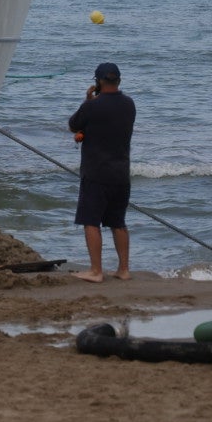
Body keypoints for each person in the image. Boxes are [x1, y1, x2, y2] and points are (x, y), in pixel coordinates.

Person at [67, 61, 135, 283]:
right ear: (119, 80)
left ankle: (96, 271)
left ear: (97, 82)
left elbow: (74, 124)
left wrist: (88, 101)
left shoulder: (92, 106)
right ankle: (124, 270)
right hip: (121, 173)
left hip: (96, 173)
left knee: (91, 221)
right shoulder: (129, 105)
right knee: (118, 222)